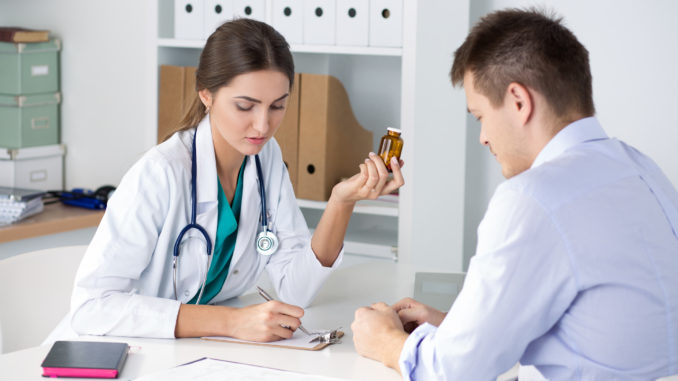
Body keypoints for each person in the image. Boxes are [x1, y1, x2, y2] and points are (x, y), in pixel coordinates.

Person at [351, 8, 678, 380]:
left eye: (480, 116)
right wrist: (457, 327)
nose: (483, 137)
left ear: (519, 102)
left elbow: (455, 373)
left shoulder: (533, 198)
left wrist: (388, 341)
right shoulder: (641, 169)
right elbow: (597, 327)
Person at [48, 18, 404, 343]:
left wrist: (341, 202)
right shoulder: (160, 174)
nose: (263, 126)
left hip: (190, 354)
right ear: (207, 94)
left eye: (277, 106)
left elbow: (295, 292)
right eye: (245, 106)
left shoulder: (265, 159)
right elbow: (91, 307)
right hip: (114, 353)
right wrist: (231, 323)